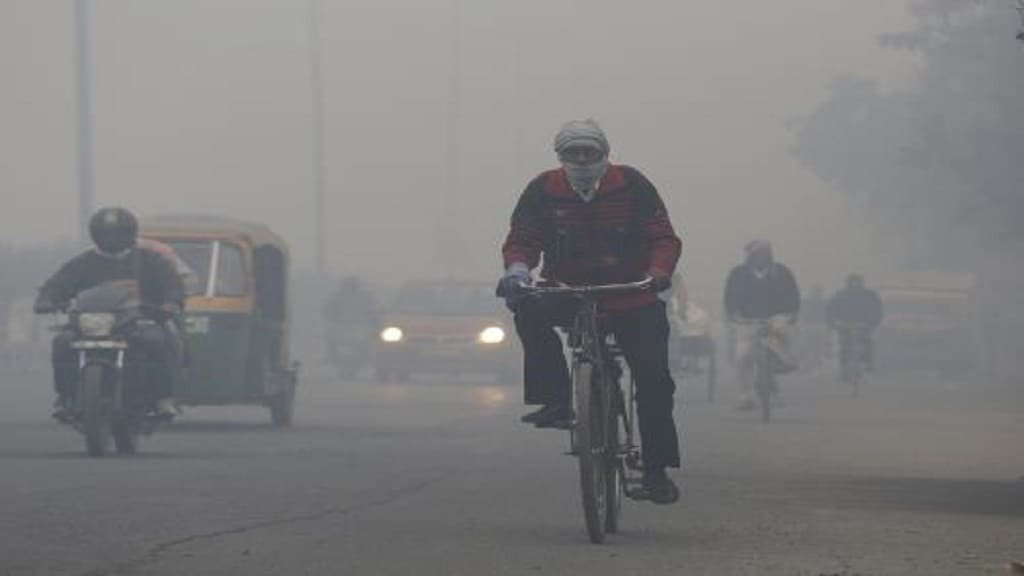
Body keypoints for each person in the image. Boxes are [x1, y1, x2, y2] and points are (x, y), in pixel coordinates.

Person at [498, 119, 683, 504]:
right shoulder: (542, 189)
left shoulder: (632, 184)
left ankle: (655, 471)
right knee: (527, 308)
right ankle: (558, 399)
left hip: (631, 294)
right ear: (560, 157)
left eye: (589, 152)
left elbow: (662, 237)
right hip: (570, 291)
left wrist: (658, 272)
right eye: (572, 153)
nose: (581, 160)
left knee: (654, 382)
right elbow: (523, 238)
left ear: (604, 154)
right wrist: (517, 270)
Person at [34, 207, 185, 418]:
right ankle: (66, 398)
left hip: (138, 320)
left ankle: (163, 399)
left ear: (130, 233)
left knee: (158, 341)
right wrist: (46, 300)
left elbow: (172, 283)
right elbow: (57, 283)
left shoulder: (150, 260)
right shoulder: (82, 263)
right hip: (91, 323)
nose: (111, 238)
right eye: (105, 233)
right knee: (62, 342)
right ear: (95, 234)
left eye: (117, 233)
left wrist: (171, 301)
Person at [723, 240, 800, 411]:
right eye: (757, 255)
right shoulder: (738, 274)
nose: (761, 258)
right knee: (743, 356)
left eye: (764, 254)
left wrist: (791, 313)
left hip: (776, 318)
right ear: (750, 256)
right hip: (747, 321)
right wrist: (733, 313)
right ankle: (745, 395)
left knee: (783, 334)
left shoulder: (781, 272)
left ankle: (784, 362)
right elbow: (730, 297)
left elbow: (793, 295)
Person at [826, 273, 883, 377]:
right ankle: (844, 369)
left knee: (867, 343)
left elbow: (877, 310)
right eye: (853, 282)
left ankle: (868, 363)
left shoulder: (869, 295)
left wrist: (873, 323)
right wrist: (833, 323)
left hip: (864, 324)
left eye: (857, 282)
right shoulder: (840, 295)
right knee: (844, 346)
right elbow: (830, 310)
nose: (855, 284)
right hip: (845, 325)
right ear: (848, 283)